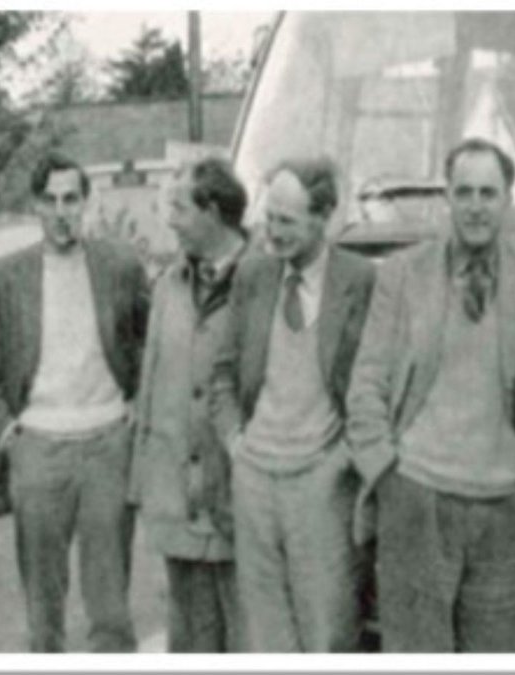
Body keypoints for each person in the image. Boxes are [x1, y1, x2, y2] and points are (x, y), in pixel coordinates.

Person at [346, 138, 515, 652]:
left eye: (488, 192)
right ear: (448, 198)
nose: (475, 206)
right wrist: (386, 474)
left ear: (509, 198)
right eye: (463, 192)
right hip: (417, 498)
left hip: (509, 508)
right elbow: (367, 380)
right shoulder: (403, 274)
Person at [0, 153, 149, 652]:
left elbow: (151, 346)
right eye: (51, 200)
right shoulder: (4, 278)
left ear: (86, 203)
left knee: (110, 606)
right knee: (43, 609)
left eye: (72, 199)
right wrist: (9, 436)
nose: (62, 210)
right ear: (36, 205)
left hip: (109, 444)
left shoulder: (121, 266)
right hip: (38, 448)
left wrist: (136, 409)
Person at [210, 157, 375, 652]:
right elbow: (222, 371)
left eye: (286, 221)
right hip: (255, 480)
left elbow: (377, 382)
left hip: (323, 486)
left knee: (327, 631)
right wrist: (236, 444)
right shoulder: (252, 276)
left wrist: (343, 459)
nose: (271, 232)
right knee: (265, 636)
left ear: (322, 218)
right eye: (269, 216)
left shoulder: (360, 280)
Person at [129, 157, 249, 652]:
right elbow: (152, 385)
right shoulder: (168, 286)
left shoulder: (262, 278)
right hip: (177, 503)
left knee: (249, 641)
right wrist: (144, 483)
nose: (170, 221)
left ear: (215, 212)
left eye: (179, 208)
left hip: (237, 503)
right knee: (190, 643)